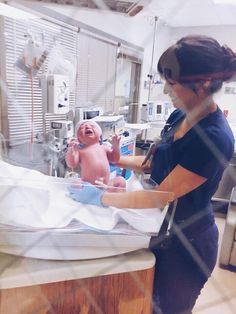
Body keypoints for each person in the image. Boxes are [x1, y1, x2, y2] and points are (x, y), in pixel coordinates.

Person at [67, 35, 235, 314]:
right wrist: (117, 159)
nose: (167, 93)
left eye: (172, 85)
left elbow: (160, 195)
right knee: (142, 303)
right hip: (158, 230)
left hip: (187, 244)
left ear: (203, 83)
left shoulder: (214, 137)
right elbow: (151, 164)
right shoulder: (179, 116)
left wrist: (102, 197)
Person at [65, 120, 126, 192]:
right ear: (79, 139)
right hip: (88, 186)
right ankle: (86, 196)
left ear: (100, 137)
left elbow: (115, 159)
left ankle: (112, 196)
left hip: (106, 185)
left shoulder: (104, 147)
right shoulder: (81, 151)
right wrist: (71, 151)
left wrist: (116, 147)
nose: (87, 126)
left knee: (121, 180)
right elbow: (71, 164)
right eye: (82, 127)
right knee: (77, 184)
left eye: (92, 126)